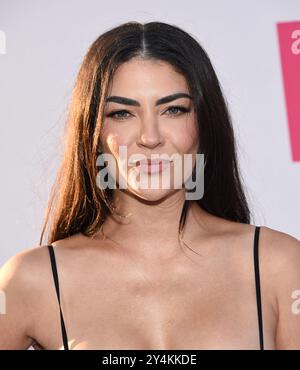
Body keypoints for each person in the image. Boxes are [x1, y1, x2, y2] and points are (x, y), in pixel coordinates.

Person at [0, 21, 299, 350]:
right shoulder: (31, 280)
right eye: (122, 113)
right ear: (93, 131)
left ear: (204, 123)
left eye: (173, 109)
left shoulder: (277, 265)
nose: (150, 137)